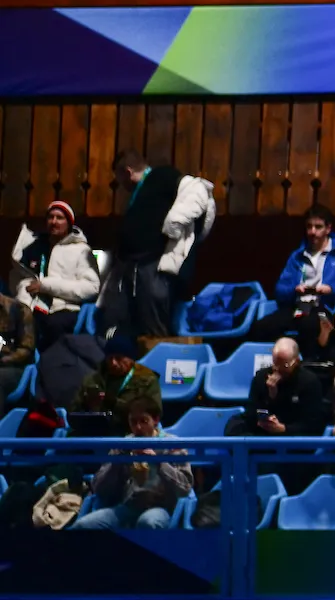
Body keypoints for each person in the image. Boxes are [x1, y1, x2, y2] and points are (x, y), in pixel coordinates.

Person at [102, 151, 214, 339]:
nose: (121, 186)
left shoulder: (162, 176)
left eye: (119, 179)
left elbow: (196, 193)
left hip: (154, 265)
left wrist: (174, 224)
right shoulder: (143, 190)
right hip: (134, 267)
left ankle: (157, 360)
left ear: (127, 172)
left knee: (154, 320)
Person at [68, 398, 190, 530]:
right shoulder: (122, 445)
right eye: (133, 422)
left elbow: (185, 487)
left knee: (147, 522)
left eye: (143, 421)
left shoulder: (174, 445)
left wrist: (159, 462)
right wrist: (117, 462)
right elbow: (99, 489)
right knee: (83, 525)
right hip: (127, 506)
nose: (138, 427)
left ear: (155, 420)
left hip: (160, 508)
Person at [10, 200, 99, 352]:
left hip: (64, 309)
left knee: (53, 326)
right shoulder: (34, 247)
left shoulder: (81, 250)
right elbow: (18, 278)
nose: (54, 221)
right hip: (33, 307)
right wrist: (24, 289)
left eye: (60, 218)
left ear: (69, 223)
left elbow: (91, 288)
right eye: (51, 217)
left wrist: (46, 286)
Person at [274, 206, 335, 318]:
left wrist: (332, 290)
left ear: (328, 228)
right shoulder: (297, 256)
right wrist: (294, 290)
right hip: (296, 308)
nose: (313, 232)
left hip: (327, 309)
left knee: (309, 325)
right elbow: (280, 290)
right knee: (261, 326)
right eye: (309, 227)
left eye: (318, 227)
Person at [229, 336, 325, 438]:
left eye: (285, 365)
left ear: (296, 361)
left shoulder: (309, 382)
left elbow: (313, 425)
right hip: (263, 433)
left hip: (293, 437)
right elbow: (251, 413)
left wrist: (284, 429)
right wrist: (270, 398)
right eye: (275, 363)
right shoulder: (261, 377)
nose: (278, 369)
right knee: (234, 426)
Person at [73, 332, 161, 432]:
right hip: (95, 430)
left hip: (131, 431)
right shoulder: (93, 379)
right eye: (110, 359)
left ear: (131, 360)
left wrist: (114, 403)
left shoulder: (147, 379)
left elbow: (153, 413)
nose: (113, 363)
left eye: (119, 358)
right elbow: (74, 410)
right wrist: (86, 404)